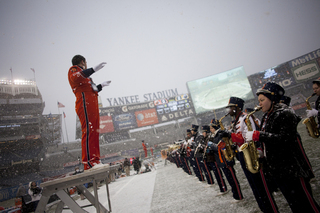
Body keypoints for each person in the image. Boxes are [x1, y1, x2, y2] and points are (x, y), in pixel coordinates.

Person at [246, 82, 320, 212]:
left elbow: (285, 139)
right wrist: (261, 151)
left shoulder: (284, 113)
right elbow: (271, 138)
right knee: (295, 206)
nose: (260, 104)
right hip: (279, 170)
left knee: (307, 205)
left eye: (262, 100)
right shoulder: (267, 115)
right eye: (259, 101)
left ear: (273, 99)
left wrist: (259, 135)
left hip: (292, 169)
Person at [221, 96, 279, 212]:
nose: (229, 111)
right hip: (243, 155)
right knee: (254, 186)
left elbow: (249, 137)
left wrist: (230, 135)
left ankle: (271, 209)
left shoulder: (245, 118)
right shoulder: (237, 120)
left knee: (261, 186)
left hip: (251, 154)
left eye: (231, 107)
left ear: (237, 107)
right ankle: (263, 208)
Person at [68, 55, 111, 171]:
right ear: (82, 62)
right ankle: (89, 162)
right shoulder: (74, 70)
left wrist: (101, 85)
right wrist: (93, 69)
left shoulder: (86, 77)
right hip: (84, 102)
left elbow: (93, 89)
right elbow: (75, 78)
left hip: (92, 102)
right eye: (85, 62)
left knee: (94, 131)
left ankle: (96, 160)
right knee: (89, 130)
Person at [208, 120, 243, 200]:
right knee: (230, 180)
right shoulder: (214, 135)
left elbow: (221, 147)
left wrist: (212, 145)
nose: (210, 130)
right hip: (221, 160)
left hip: (225, 159)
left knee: (233, 179)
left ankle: (239, 196)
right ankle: (236, 195)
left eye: (211, 128)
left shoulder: (220, 134)